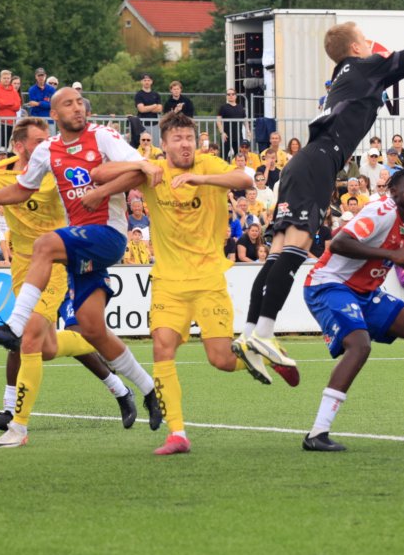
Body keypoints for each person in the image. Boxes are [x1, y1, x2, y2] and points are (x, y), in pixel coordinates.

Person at [236, 16, 404, 371]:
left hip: (304, 162)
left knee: (279, 251)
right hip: (319, 162)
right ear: (356, 49)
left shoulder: (345, 78)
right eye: (364, 38)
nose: (369, 42)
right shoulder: (363, 68)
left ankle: (250, 333)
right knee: (295, 251)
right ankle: (264, 334)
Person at [0, 88, 161, 449]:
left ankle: (14, 330)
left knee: (44, 246)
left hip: (107, 235)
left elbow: (140, 171)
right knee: (92, 329)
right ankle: (147, 390)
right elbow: (21, 190)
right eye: (68, 103)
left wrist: (102, 191)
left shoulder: (102, 136)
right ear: (54, 112)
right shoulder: (46, 151)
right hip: (76, 247)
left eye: (80, 102)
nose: (78, 107)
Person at [97, 111, 295, 455]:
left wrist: (201, 182)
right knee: (162, 348)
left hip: (207, 279)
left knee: (220, 359)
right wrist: (144, 167)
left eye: (189, 137)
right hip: (168, 282)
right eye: (178, 139)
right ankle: (177, 434)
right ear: (165, 144)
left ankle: (258, 353)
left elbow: (248, 178)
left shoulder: (208, 165)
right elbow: (100, 173)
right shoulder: (153, 169)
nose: (185, 144)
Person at [300, 169, 404, 451]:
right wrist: (389, 255)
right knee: (359, 345)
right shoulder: (381, 211)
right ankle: (317, 432)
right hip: (329, 284)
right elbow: (339, 243)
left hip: (364, 292)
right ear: (394, 191)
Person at [217, 87, 248, 159]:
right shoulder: (223, 107)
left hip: (238, 136)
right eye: (228, 94)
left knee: (239, 156)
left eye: (232, 94)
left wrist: (248, 130)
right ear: (226, 96)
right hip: (226, 136)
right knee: (223, 156)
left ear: (236, 96)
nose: (231, 96)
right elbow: (218, 121)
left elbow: (245, 120)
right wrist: (222, 133)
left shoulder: (240, 107)